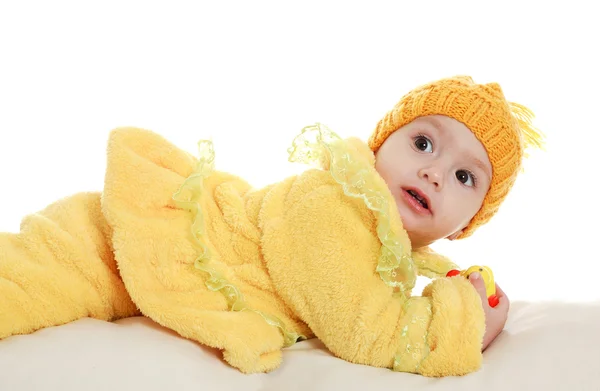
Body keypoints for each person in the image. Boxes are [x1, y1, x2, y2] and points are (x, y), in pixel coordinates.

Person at [0, 75, 543, 377]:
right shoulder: (331, 206)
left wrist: (450, 289)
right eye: (422, 143)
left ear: (470, 222)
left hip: (156, 257)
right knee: (25, 284)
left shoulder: (389, 249)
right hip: (114, 240)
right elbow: (368, 329)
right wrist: (464, 325)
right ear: (379, 146)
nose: (433, 170)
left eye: (466, 176)